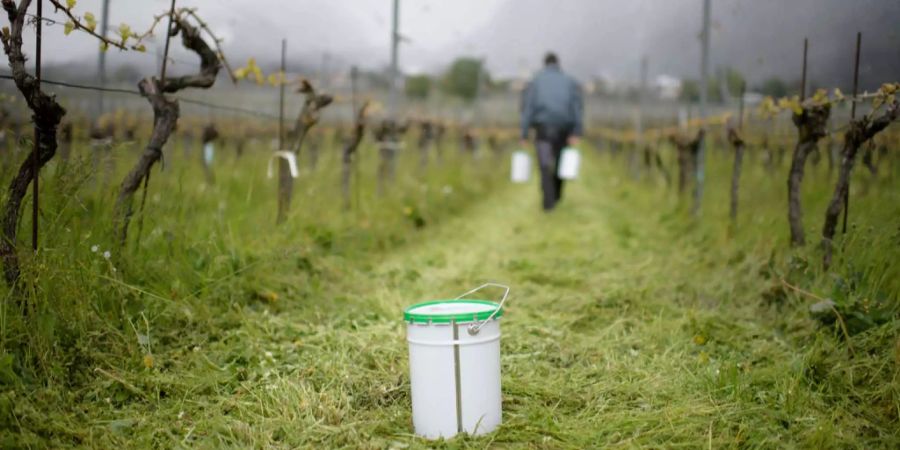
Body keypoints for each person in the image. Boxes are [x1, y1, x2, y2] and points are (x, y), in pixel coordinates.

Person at [520, 52, 584, 211]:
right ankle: (556, 195)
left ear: (544, 63)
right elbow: (577, 108)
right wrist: (577, 131)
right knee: (560, 164)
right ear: (558, 63)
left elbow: (528, 108)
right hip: (564, 129)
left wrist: (524, 133)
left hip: (543, 129)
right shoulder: (569, 81)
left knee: (544, 165)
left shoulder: (536, 81)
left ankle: (548, 202)